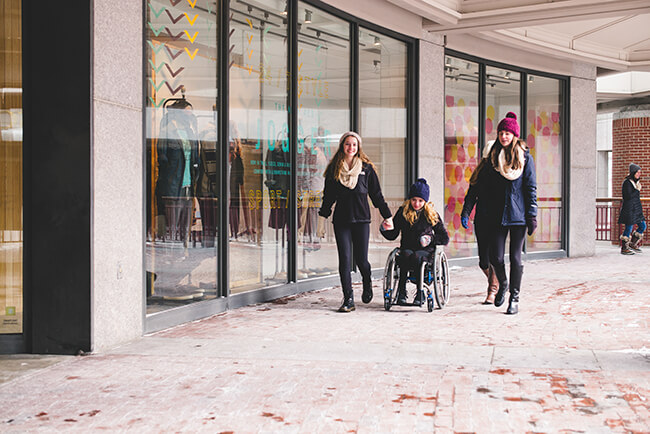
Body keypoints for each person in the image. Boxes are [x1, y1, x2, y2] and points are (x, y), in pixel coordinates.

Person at [317, 131, 393, 312]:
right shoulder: (334, 169)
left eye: (354, 145)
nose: (351, 148)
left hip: (361, 220)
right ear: (342, 146)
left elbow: (376, 196)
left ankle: (367, 281)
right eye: (347, 144)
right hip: (342, 221)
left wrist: (387, 216)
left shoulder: (366, 169)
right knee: (345, 259)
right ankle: (348, 299)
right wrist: (321, 220)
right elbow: (328, 198)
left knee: (362, 261)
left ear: (358, 147)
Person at [478, 112, 537, 315]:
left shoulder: (525, 158)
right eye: (501, 133)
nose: (504, 137)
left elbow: (530, 188)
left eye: (507, 133)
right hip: (496, 216)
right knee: (495, 257)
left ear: (514, 135)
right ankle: (502, 284)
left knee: (516, 258)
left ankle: (514, 298)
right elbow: (483, 187)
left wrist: (532, 215)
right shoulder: (493, 157)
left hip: (518, 216)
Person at [380, 178, 449, 305]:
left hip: (425, 251)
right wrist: (384, 228)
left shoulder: (431, 215)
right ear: (409, 199)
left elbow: (444, 237)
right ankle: (401, 292)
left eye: (420, 201)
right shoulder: (403, 212)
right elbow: (393, 234)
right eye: (414, 200)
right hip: (407, 248)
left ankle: (420, 292)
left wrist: (431, 239)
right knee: (406, 255)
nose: (416, 204)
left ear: (425, 201)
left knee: (416, 257)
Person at [461, 142, 499, 304]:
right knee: (483, 261)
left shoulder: (502, 172)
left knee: (493, 257)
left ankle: (493, 289)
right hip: (482, 220)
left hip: (499, 221)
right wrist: (465, 213)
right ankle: (499, 281)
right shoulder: (480, 173)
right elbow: (471, 196)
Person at [618, 163, 645, 255]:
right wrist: (637, 190)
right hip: (629, 209)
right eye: (637, 172)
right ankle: (624, 248)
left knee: (643, 226)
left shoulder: (636, 183)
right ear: (633, 172)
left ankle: (632, 244)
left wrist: (637, 188)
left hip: (637, 209)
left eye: (640, 172)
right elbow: (628, 196)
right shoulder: (627, 183)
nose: (639, 174)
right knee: (628, 228)